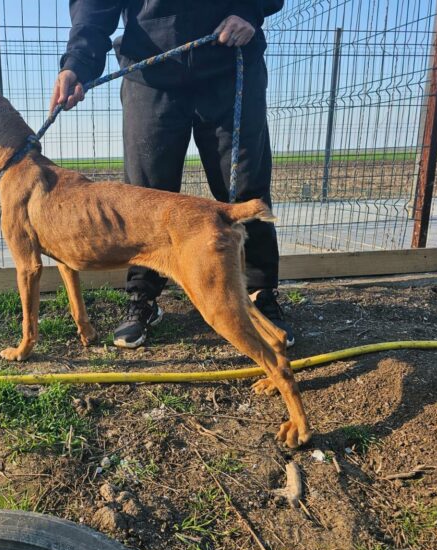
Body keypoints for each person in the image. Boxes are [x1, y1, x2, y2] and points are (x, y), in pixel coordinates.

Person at [50, 0, 293, 349]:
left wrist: (249, 10)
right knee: (144, 196)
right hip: (150, 71)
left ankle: (258, 294)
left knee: (244, 190)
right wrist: (77, 63)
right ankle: (143, 299)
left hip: (230, 59)